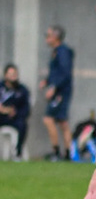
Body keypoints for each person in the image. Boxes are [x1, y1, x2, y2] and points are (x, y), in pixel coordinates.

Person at [39, 25, 73, 160]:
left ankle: (56, 152)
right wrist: (47, 81)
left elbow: (65, 73)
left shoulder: (63, 52)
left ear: (56, 37)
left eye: (48, 35)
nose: (46, 38)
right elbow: (57, 71)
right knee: (63, 122)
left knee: (48, 119)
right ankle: (67, 153)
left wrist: (53, 87)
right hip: (60, 91)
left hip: (60, 92)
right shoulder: (57, 51)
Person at [0, 64, 28, 160]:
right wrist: (3, 110)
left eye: (14, 74)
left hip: (14, 118)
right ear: (5, 75)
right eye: (10, 74)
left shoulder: (22, 90)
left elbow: (26, 109)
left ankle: (17, 153)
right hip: (1, 117)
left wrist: (15, 112)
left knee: (22, 125)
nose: (13, 76)